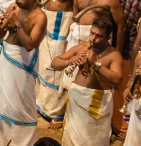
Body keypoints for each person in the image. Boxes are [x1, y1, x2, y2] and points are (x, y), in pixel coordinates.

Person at [0, 0, 47, 143]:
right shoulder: (13, 7)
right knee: (1, 104)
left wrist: (17, 23)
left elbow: (29, 45)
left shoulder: (40, 17)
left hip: (22, 65)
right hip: (5, 59)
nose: (16, 0)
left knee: (18, 107)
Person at [51, 18, 124, 146]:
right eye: (92, 33)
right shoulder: (82, 47)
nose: (93, 38)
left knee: (93, 141)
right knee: (72, 137)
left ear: (108, 37)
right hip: (76, 99)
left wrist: (96, 63)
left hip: (97, 105)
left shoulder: (114, 55)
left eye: (98, 35)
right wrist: (70, 61)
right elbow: (54, 63)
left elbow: (117, 80)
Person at [36, 0, 82, 126]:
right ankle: (41, 104)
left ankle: (56, 112)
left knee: (57, 67)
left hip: (62, 27)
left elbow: (76, 12)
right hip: (47, 21)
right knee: (43, 64)